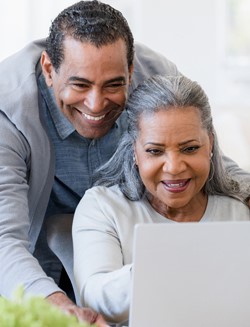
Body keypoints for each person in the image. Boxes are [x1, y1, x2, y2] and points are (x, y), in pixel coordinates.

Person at [0, 0, 182, 324]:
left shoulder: (159, 80)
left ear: (130, 70)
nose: (96, 104)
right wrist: (55, 305)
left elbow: (211, 163)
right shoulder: (7, 107)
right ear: (48, 70)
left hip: (132, 268)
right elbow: (3, 238)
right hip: (35, 269)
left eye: (114, 84)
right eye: (80, 85)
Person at [72, 75, 250, 326]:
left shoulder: (238, 211)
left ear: (210, 143)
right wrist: (165, 264)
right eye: (155, 151)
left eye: (190, 148)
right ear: (134, 150)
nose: (174, 167)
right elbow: (95, 299)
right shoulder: (103, 207)